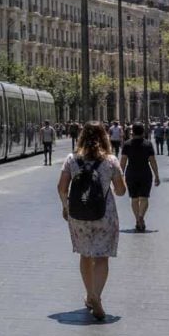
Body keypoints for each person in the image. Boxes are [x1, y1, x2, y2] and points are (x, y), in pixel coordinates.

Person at [57, 121, 126, 321]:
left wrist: (65, 206)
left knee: (85, 255)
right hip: (105, 215)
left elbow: (61, 187)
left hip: (78, 216)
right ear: (104, 136)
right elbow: (121, 192)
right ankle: (96, 295)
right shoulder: (111, 161)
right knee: (102, 256)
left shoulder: (71, 159)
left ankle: (89, 295)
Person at [119, 122, 161, 232]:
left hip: (131, 173)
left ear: (132, 132)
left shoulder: (127, 144)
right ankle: (141, 217)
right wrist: (156, 175)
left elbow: (123, 161)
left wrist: (120, 175)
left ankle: (137, 219)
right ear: (143, 132)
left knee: (134, 198)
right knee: (144, 197)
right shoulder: (148, 144)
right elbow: (152, 161)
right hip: (145, 173)